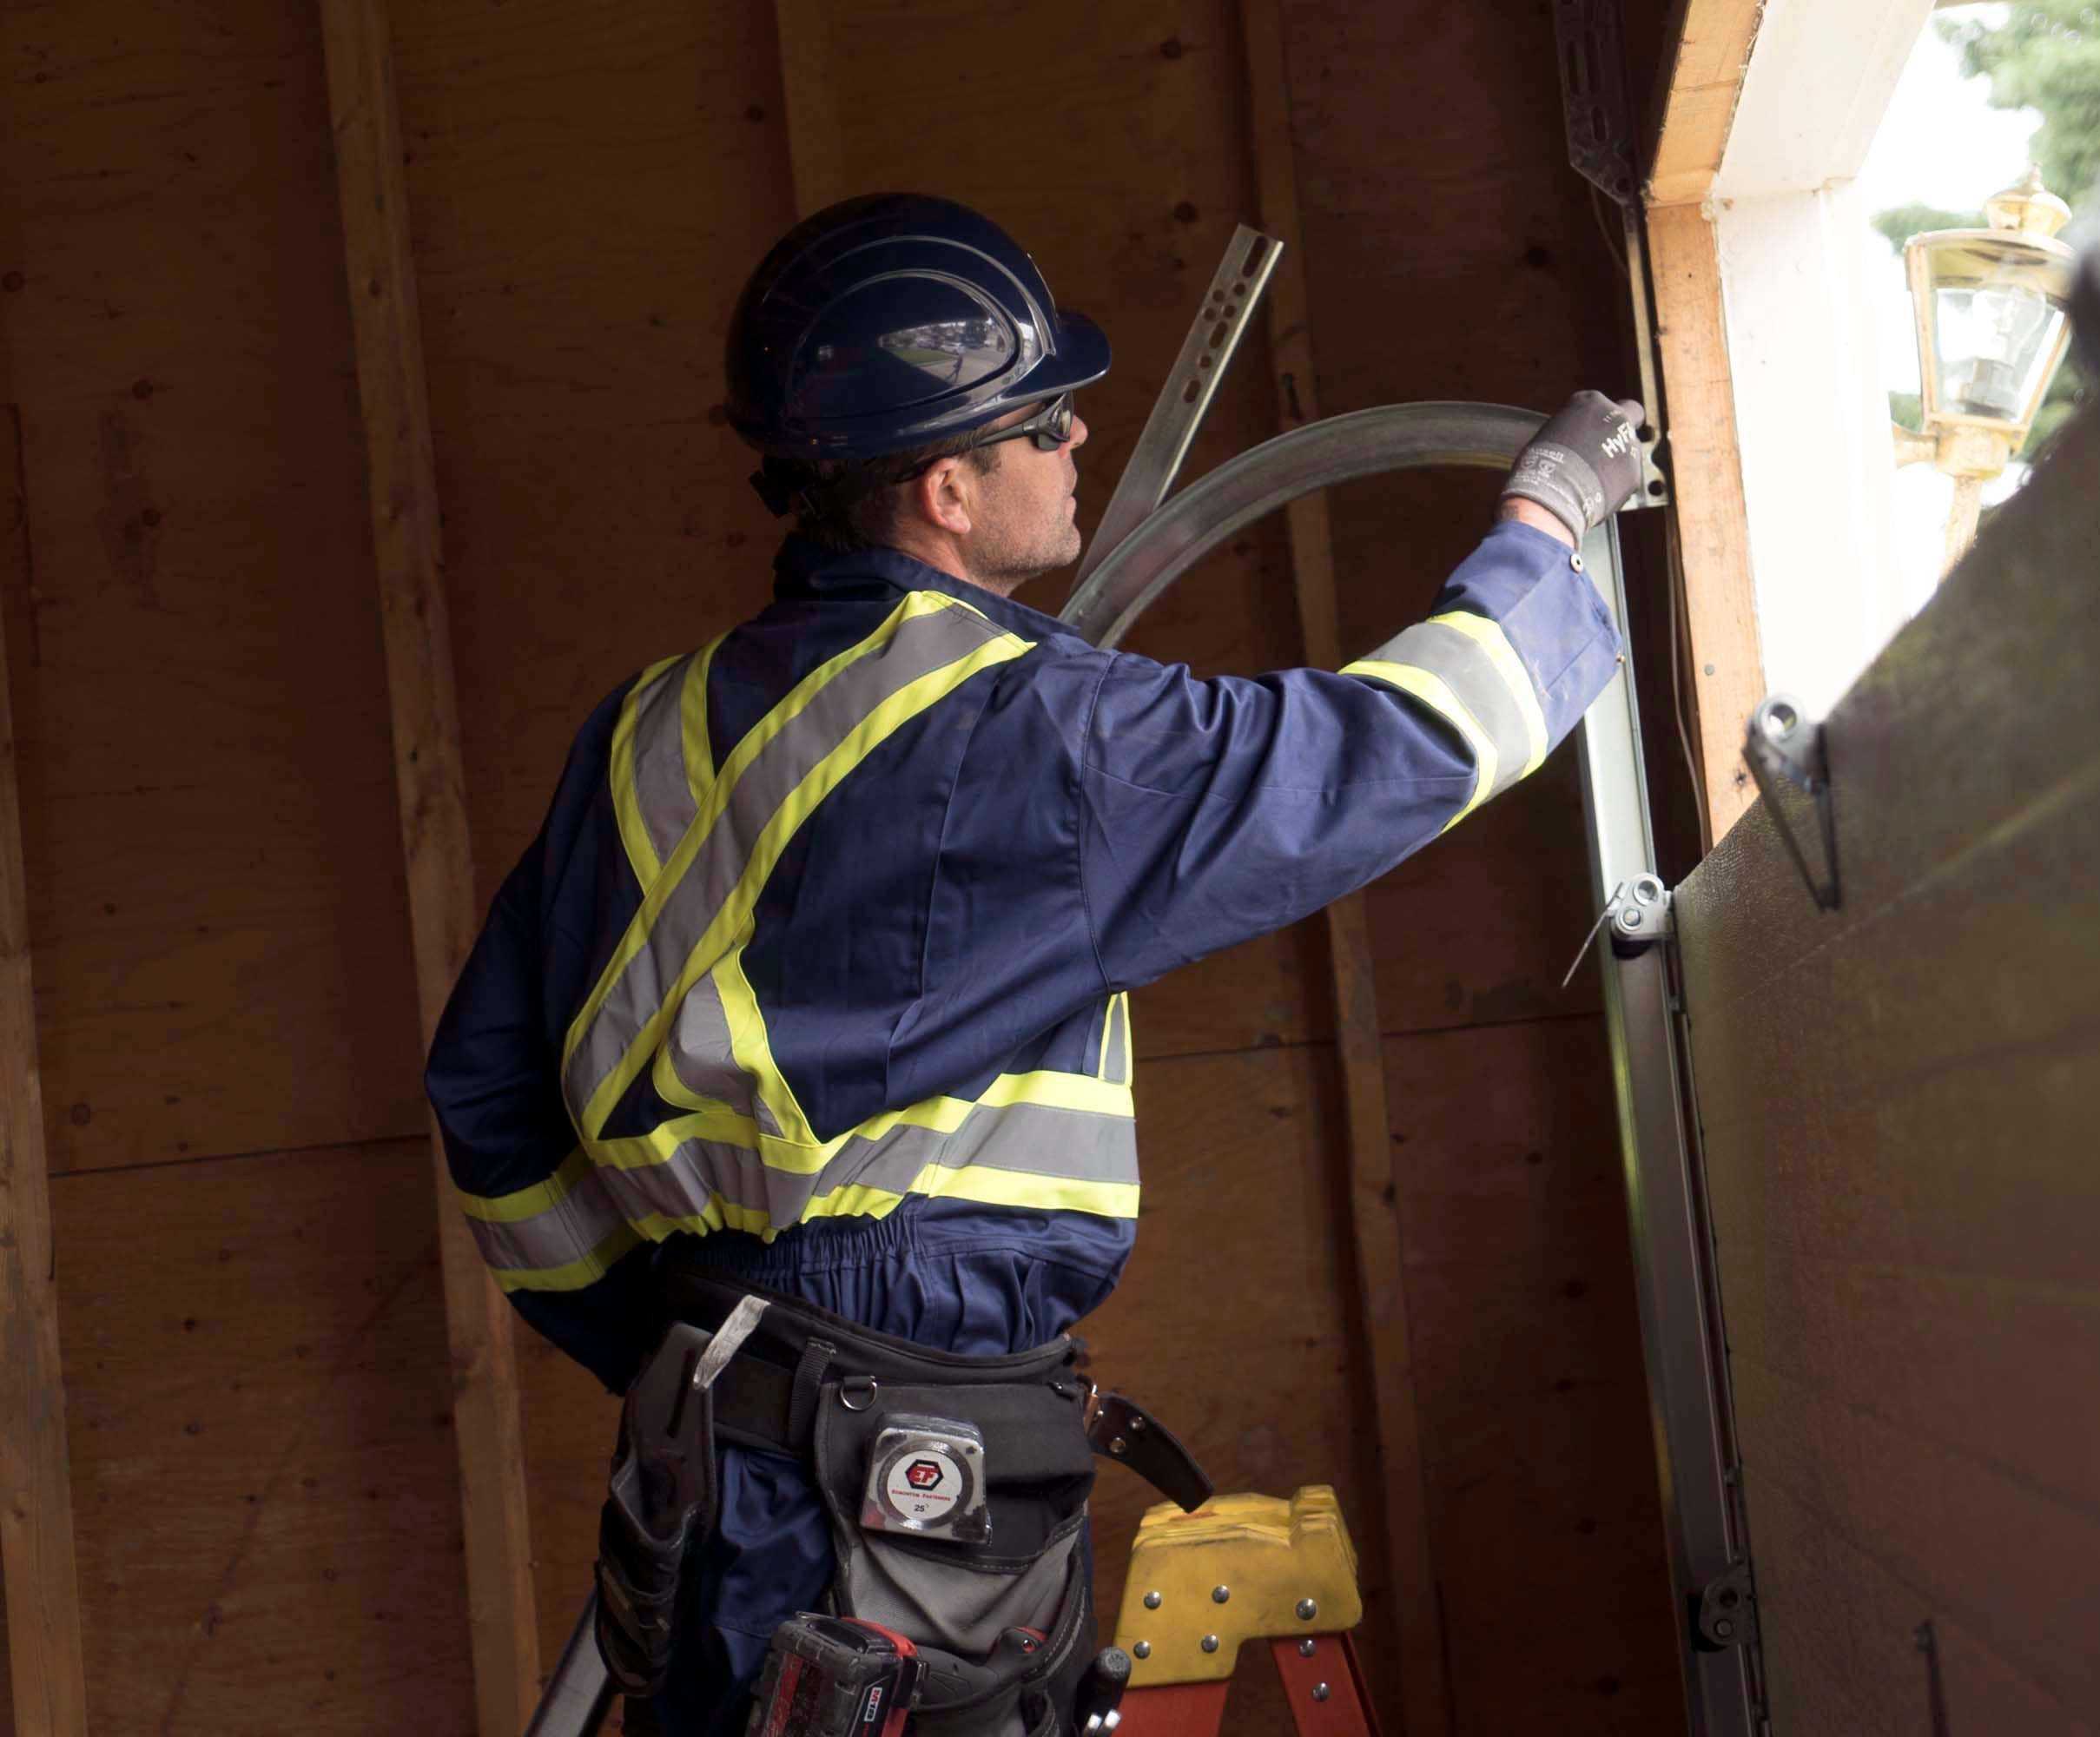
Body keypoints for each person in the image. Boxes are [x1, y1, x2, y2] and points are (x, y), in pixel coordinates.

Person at [426, 193, 1645, 1736]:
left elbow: (484, 1090)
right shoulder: (1030, 726)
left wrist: (665, 1345)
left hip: (728, 1433)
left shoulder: (646, 727)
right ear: (946, 487)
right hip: (897, 1442)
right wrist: (1547, 526)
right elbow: (1404, 745)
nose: (1081, 441)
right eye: (1047, 421)